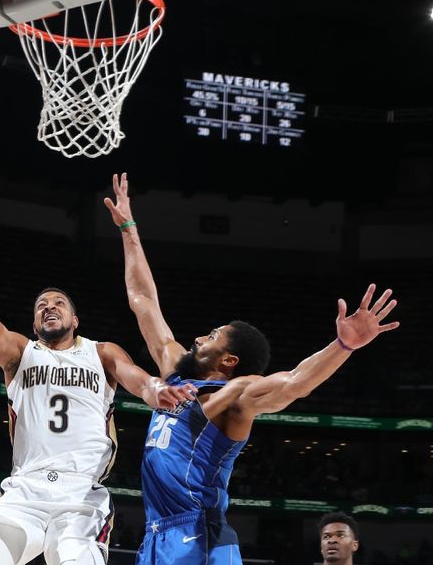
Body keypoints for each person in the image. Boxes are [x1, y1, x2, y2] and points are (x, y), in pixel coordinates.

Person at [103, 173, 399, 565]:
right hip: (157, 533)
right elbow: (143, 299)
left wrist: (343, 345)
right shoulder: (174, 371)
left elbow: (294, 383)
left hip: (200, 534)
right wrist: (128, 228)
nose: (200, 337)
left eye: (213, 334)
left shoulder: (236, 395)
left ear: (229, 360)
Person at [0, 210, 195, 565]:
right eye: (41, 305)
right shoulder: (19, 353)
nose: (49, 307)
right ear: (33, 322)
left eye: (58, 303)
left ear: (75, 320)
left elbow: (137, 377)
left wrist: (156, 390)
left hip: (81, 495)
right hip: (24, 491)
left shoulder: (101, 352)